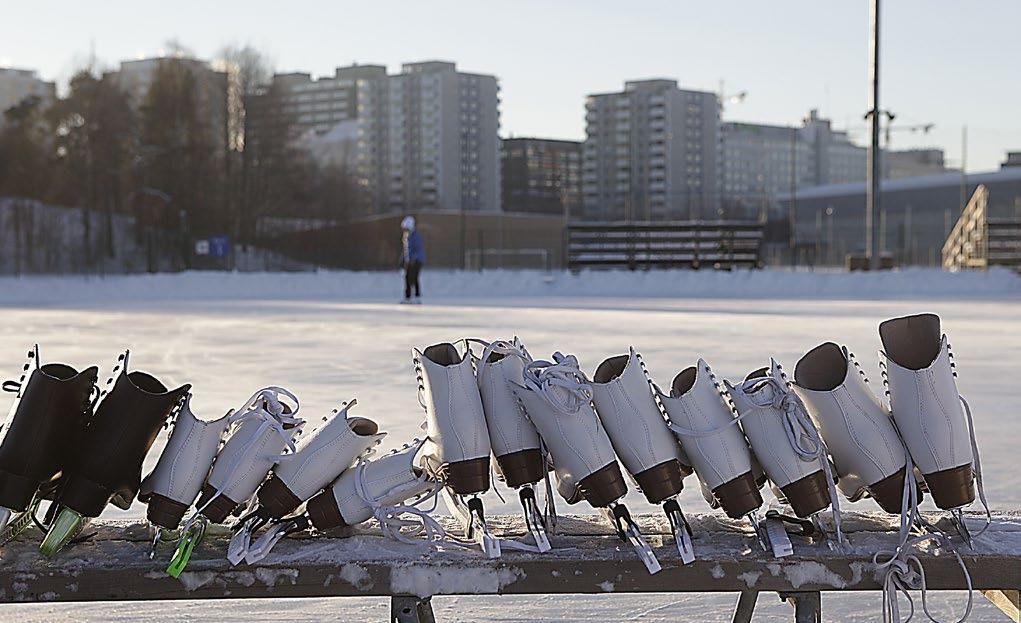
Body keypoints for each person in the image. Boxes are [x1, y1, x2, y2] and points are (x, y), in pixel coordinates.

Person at [400, 216, 425, 304]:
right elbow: (406, 250)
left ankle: (416, 297)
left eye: (406, 228)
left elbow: (418, 249)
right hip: (409, 261)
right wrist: (404, 260)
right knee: (407, 278)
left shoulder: (416, 236)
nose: (405, 230)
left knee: (414, 277)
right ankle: (407, 297)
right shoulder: (406, 237)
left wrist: (413, 259)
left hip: (417, 260)